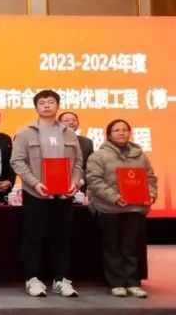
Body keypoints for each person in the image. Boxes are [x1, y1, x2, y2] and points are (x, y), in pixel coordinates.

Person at [10, 89, 83, 298]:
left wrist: (75, 182)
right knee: (33, 238)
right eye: (42, 103)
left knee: (62, 239)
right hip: (36, 194)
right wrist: (35, 183)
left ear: (57, 106)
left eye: (51, 102)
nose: (47, 106)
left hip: (63, 195)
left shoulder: (69, 133)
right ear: (36, 107)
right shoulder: (25, 133)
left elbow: (78, 162)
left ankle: (60, 280)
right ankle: (32, 279)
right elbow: (17, 161)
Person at [85, 119, 156, 298]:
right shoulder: (98, 156)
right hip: (109, 208)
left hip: (135, 208)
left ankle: (133, 282)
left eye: (124, 130)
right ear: (108, 134)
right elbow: (94, 180)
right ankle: (116, 283)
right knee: (112, 247)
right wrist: (115, 198)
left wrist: (151, 194)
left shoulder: (140, 155)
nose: (121, 133)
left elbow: (150, 178)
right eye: (116, 130)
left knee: (131, 247)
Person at [58, 111, 94, 192]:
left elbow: (90, 166)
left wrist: (79, 181)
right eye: (66, 120)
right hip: (56, 183)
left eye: (74, 120)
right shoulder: (53, 141)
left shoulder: (87, 142)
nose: (71, 122)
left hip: (80, 186)